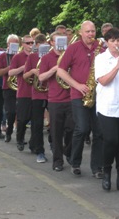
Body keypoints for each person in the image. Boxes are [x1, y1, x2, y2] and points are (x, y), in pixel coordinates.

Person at [57, 20, 104, 178]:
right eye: (88, 31)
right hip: (79, 94)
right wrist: (77, 85)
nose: (91, 34)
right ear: (80, 33)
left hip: (99, 94)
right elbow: (61, 70)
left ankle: (97, 167)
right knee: (82, 128)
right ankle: (75, 161)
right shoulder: (73, 48)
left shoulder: (101, 47)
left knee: (98, 132)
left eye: (93, 31)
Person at [95, 28, 119, 193]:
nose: (116, 44)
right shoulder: (101, 58)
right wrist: (118, 66)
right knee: (110, 140)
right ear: (107, 42)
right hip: (107, 106)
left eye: (118, 41)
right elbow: (103, 81)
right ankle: (107, 171)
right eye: (113, 41)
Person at [39, 31, 74, 172]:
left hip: (71, 98)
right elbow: (41, 77)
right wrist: (55, 69)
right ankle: (57, 160)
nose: (61, 44)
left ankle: (68, 152)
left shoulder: (70, 55)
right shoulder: (47, 58)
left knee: (73, 129)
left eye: (63, 40)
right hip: (55, 100)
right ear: (52, 43)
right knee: (56, 132)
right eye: (58, 41)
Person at [23, 33, 49, 163]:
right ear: (37, 45)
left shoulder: (52, 56)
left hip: (52, 93)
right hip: (37, 93)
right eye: (42, 44)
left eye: (47, 44)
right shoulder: (32, 57)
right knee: (37, 123)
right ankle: (40, 151)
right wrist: (33, 71)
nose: (45, 46)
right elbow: (25, 76)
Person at [9, 35, 34, 151]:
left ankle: (34, 143)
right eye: (28, 43)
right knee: (22, 119)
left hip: (37, 92)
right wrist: (24, 67)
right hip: (24, 92)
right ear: (23, 44)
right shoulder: (18, 57)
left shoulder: (38, 56)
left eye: (32, 43)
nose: (30, 45)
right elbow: (11, 72)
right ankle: (20, 139)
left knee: (36, 121)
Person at [0, 34, 19, 143]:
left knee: (22, 113)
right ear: (8, 44)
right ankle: (9, 131)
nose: (14, 45)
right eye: (12, 43)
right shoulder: (2, 56)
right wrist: (11, 68)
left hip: (21, 87)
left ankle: (20, 136)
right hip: (8, 87)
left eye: (16, 43)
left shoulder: (22, 55)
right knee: (11, 112)